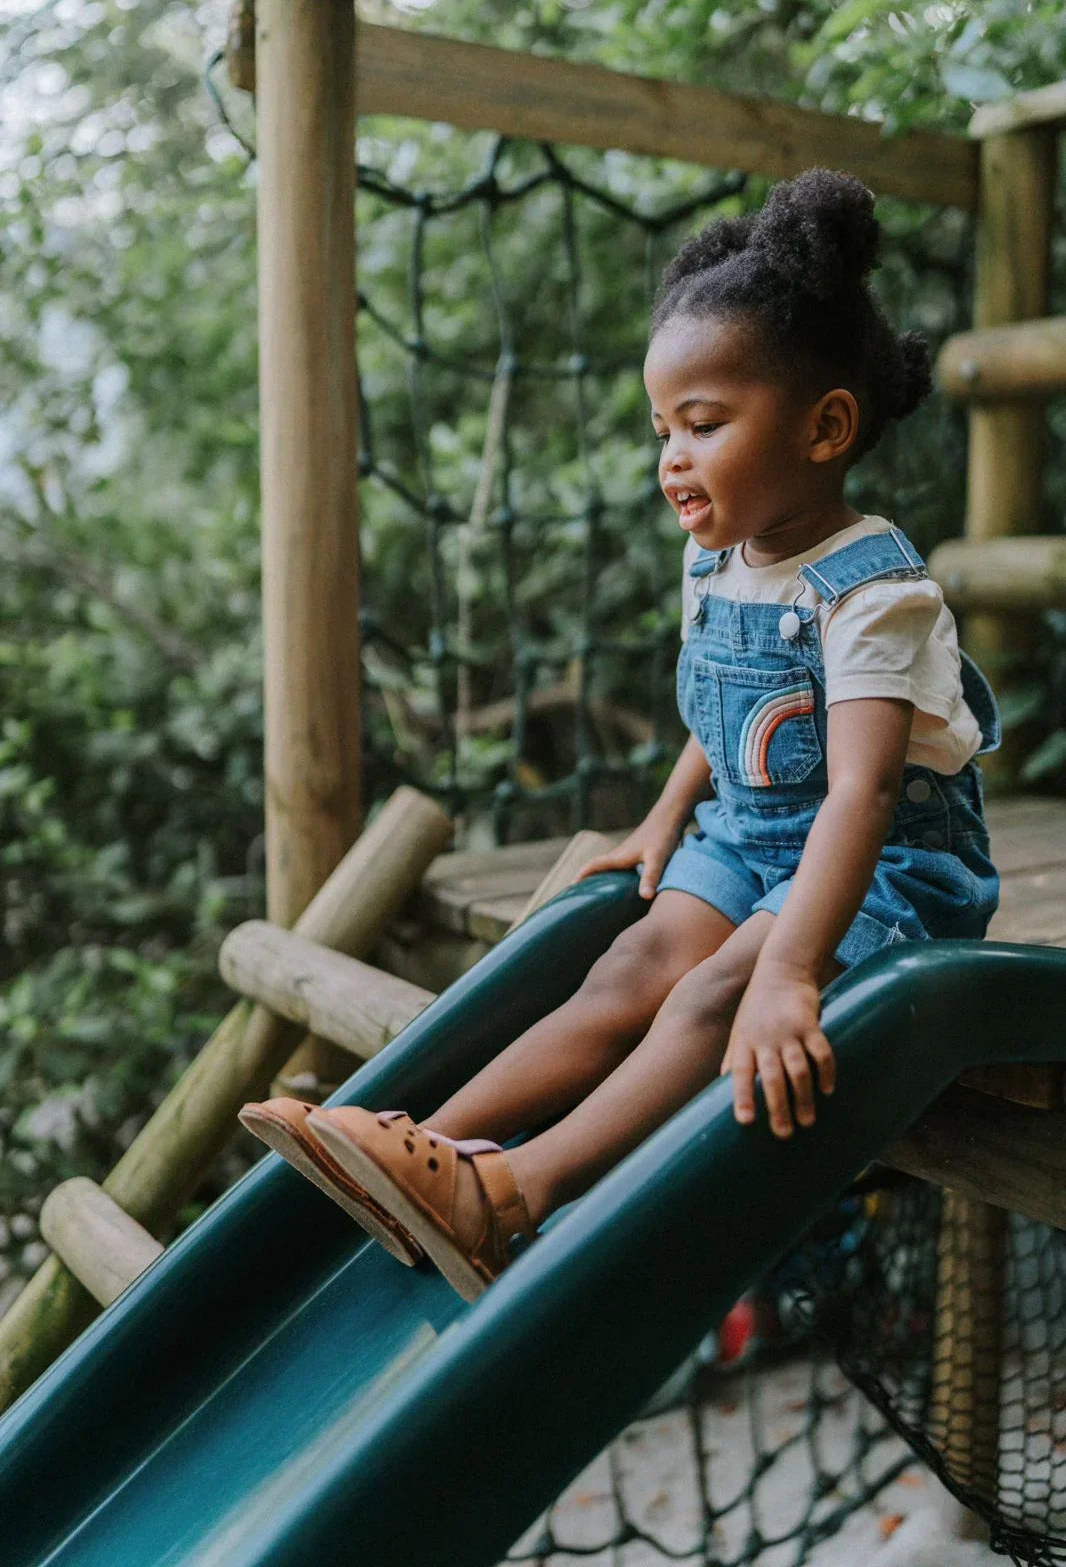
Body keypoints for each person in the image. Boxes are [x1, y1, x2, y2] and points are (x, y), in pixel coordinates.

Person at [239, 166, 1001, 1304]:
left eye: (703, 424)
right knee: (630, 964)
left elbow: (864, 792)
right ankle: (406, 1150)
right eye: (663, 428)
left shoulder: (870, 593)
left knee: (711, 999)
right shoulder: (719, 555)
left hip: (883, 873)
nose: (672, 457)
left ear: (825, 425)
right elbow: (725, 711)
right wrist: (659, 820)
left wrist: (791, 972)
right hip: (750, 841)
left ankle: (508, 1195)